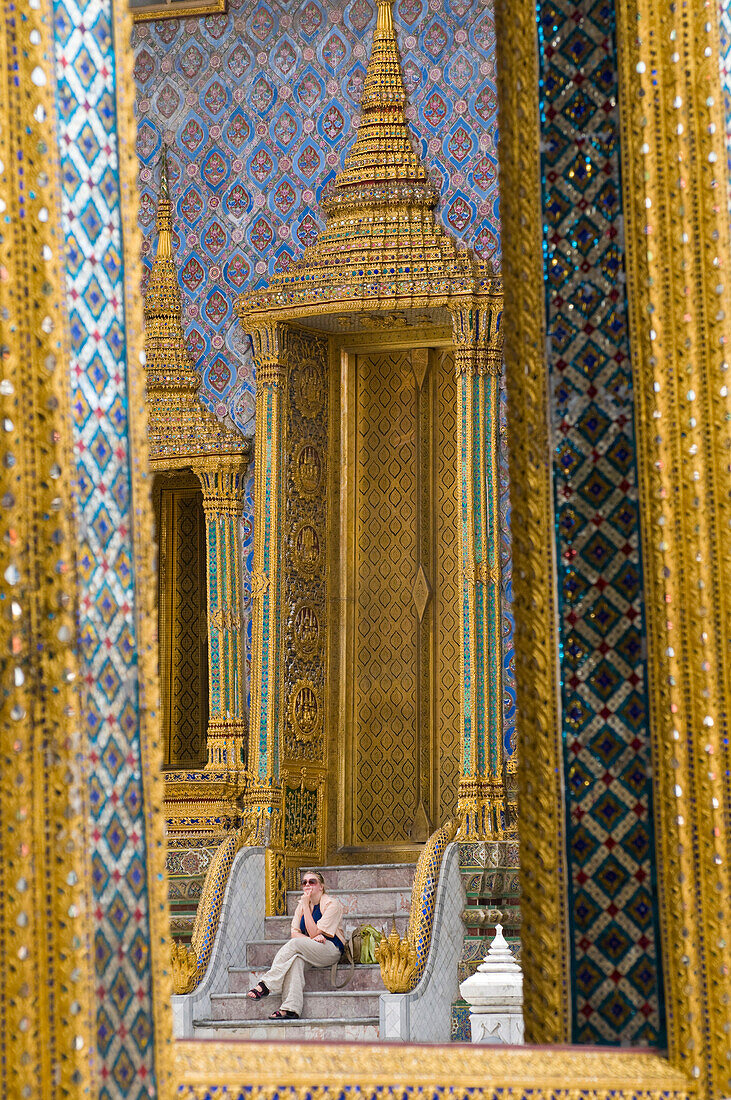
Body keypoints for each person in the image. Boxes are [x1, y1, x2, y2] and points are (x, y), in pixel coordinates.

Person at [247, 868, 346, 1020]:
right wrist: (312, 939)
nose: (307, 885)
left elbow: (313, 932)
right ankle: (290, 1009)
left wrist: (306, 907)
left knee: (294, 945)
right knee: (296, 961)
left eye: (312, 882)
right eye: (304, 882)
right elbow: (295, 932)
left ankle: (266, 984)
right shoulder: (302, 905)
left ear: (321, 886)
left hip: (330, 950)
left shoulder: (333, 905)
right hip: (309, 949)